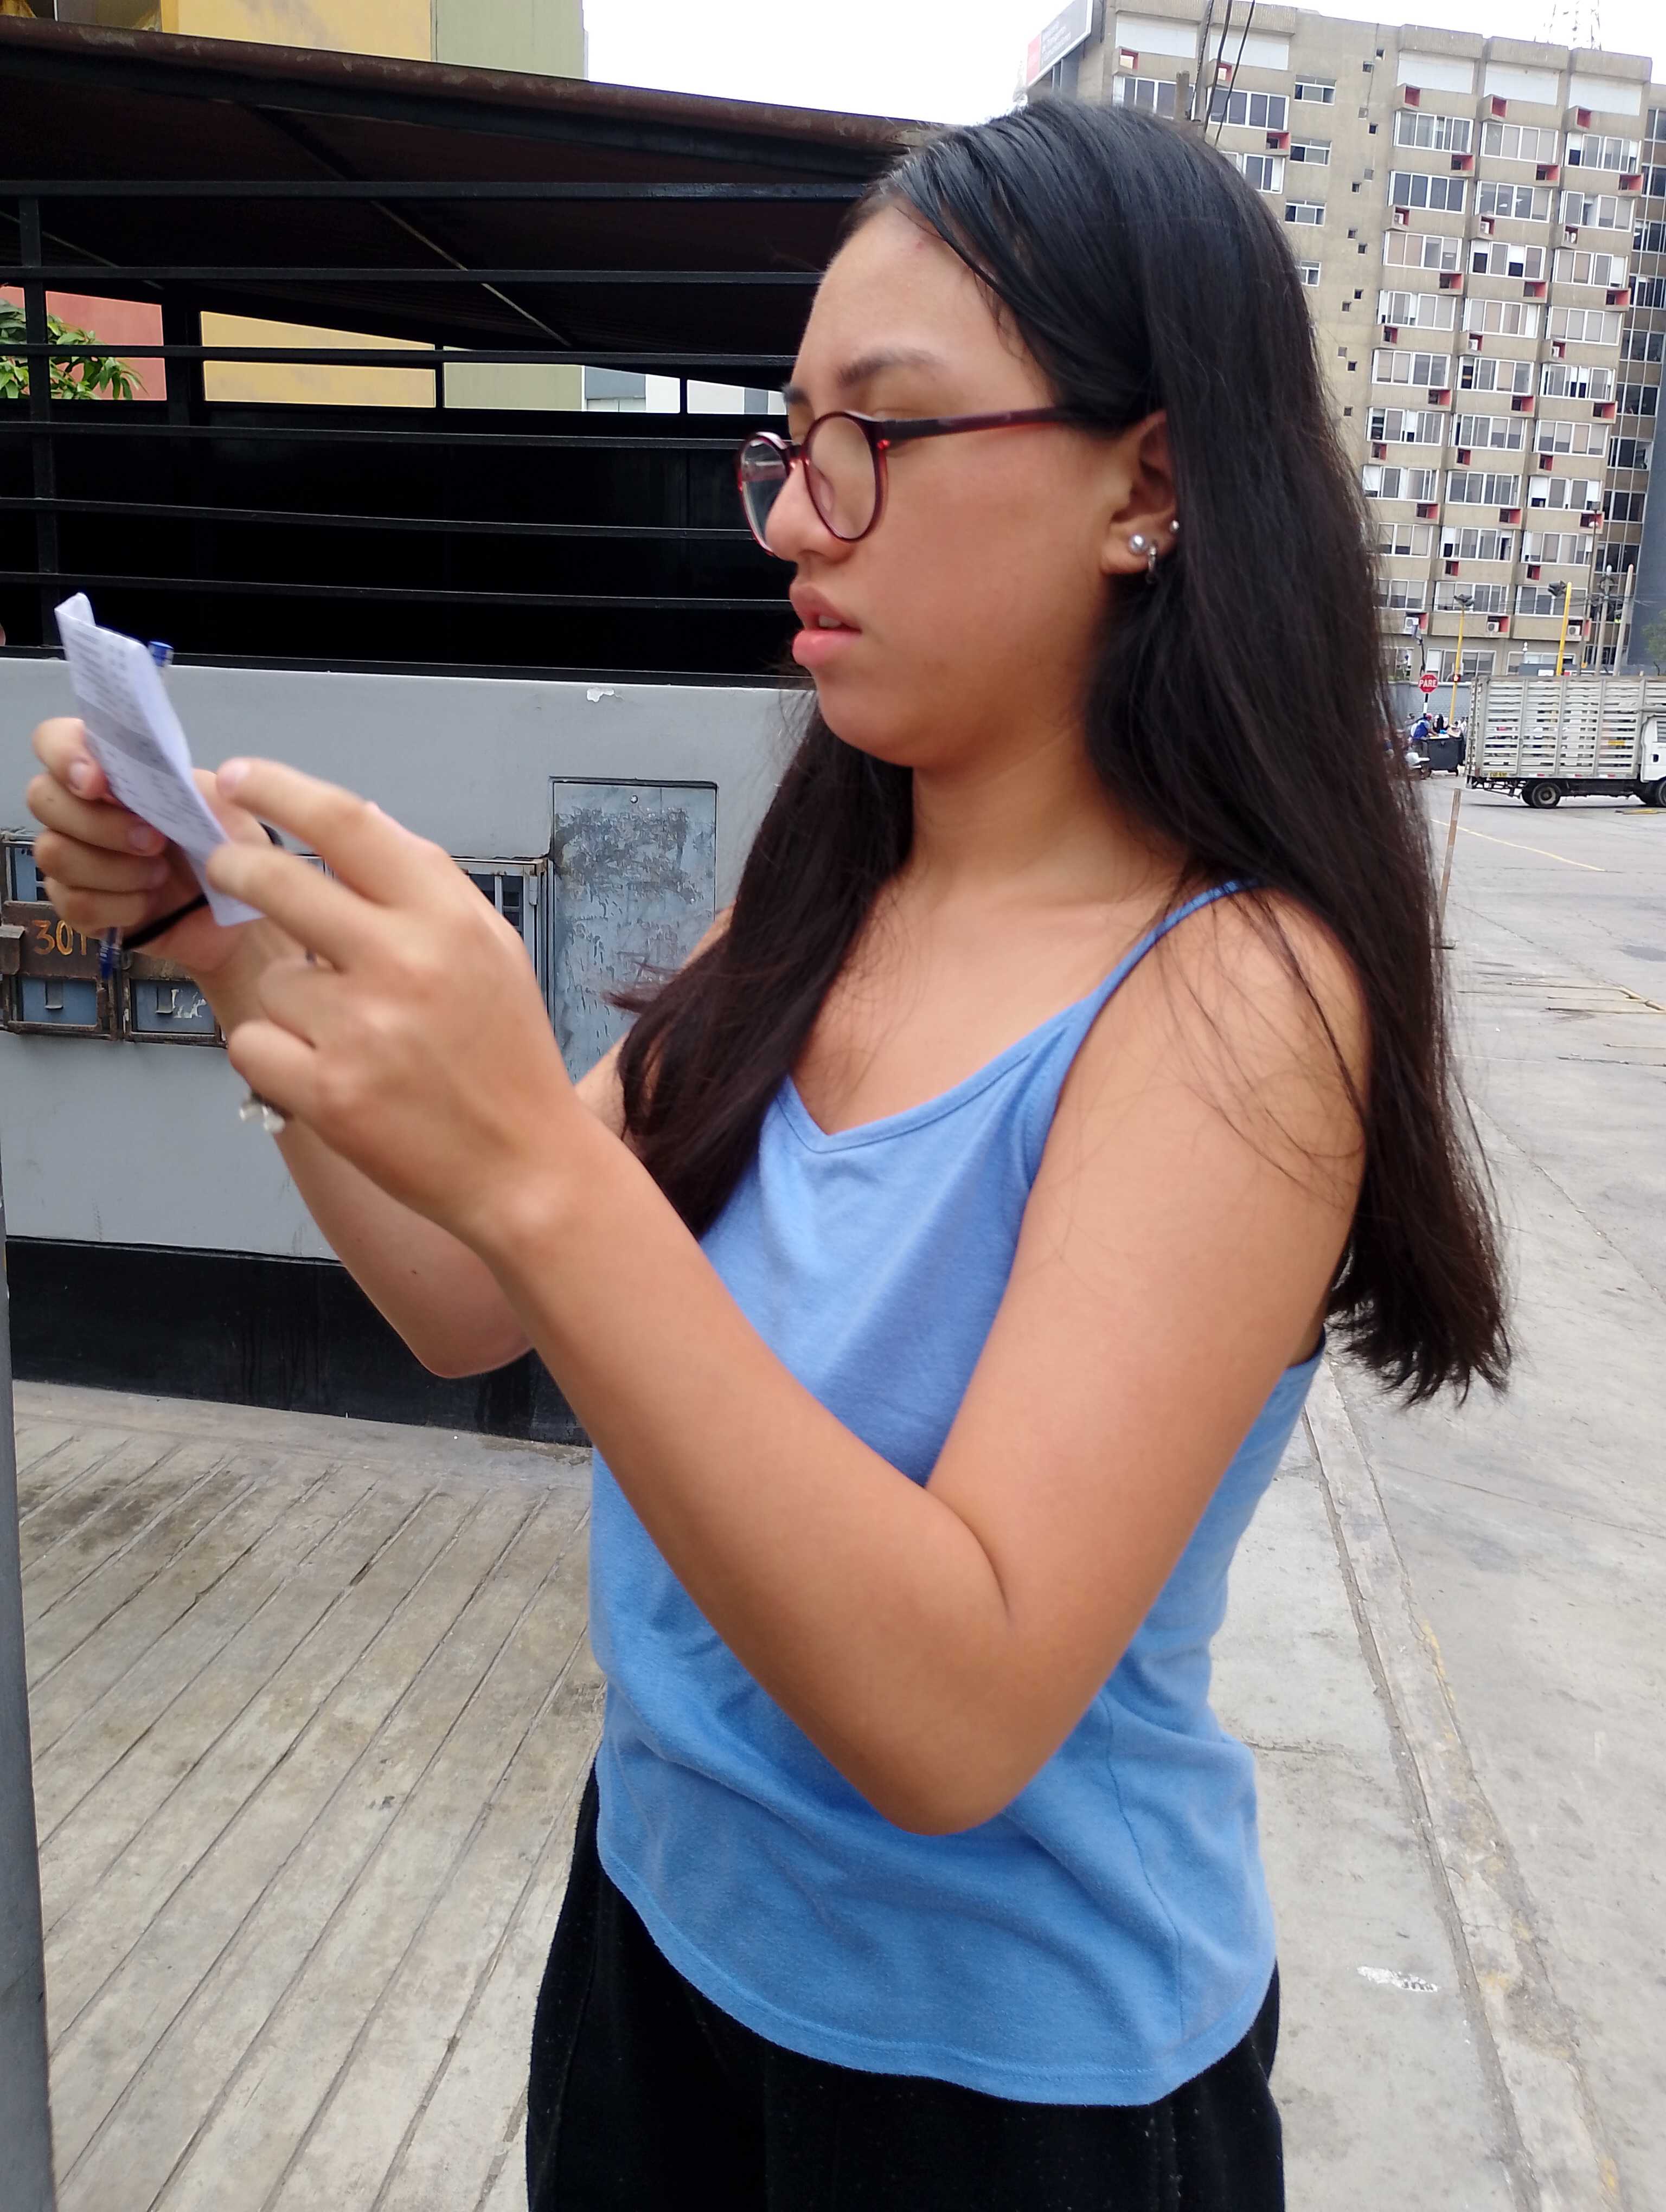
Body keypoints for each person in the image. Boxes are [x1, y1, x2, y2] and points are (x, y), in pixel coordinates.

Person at [26, 99, 1509, 2212]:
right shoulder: (820, 899)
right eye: (788, 444)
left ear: (1150, 485)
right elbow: (461, 1303)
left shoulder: (1232, 997)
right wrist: (216, 942)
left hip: (1007, 2098)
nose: (797, 520)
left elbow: (957, 1714)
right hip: (657, 1936)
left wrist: (535, 1166)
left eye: (876, 438)